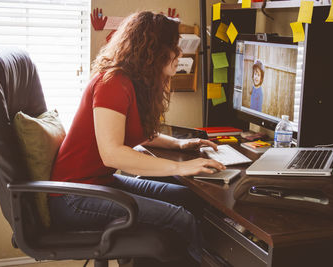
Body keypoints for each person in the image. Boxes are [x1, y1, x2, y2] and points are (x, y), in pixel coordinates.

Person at [48, 11, 225, 265]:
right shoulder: (112, 82)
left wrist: (179, 144)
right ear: (152, 50)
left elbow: (136, 132)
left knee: (187, 198)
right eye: (174, 47)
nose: (180, 53)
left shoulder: (132, 82)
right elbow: (113, 153)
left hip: (99, 184)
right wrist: (182, 166)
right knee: (180, 218)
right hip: (74, 198)